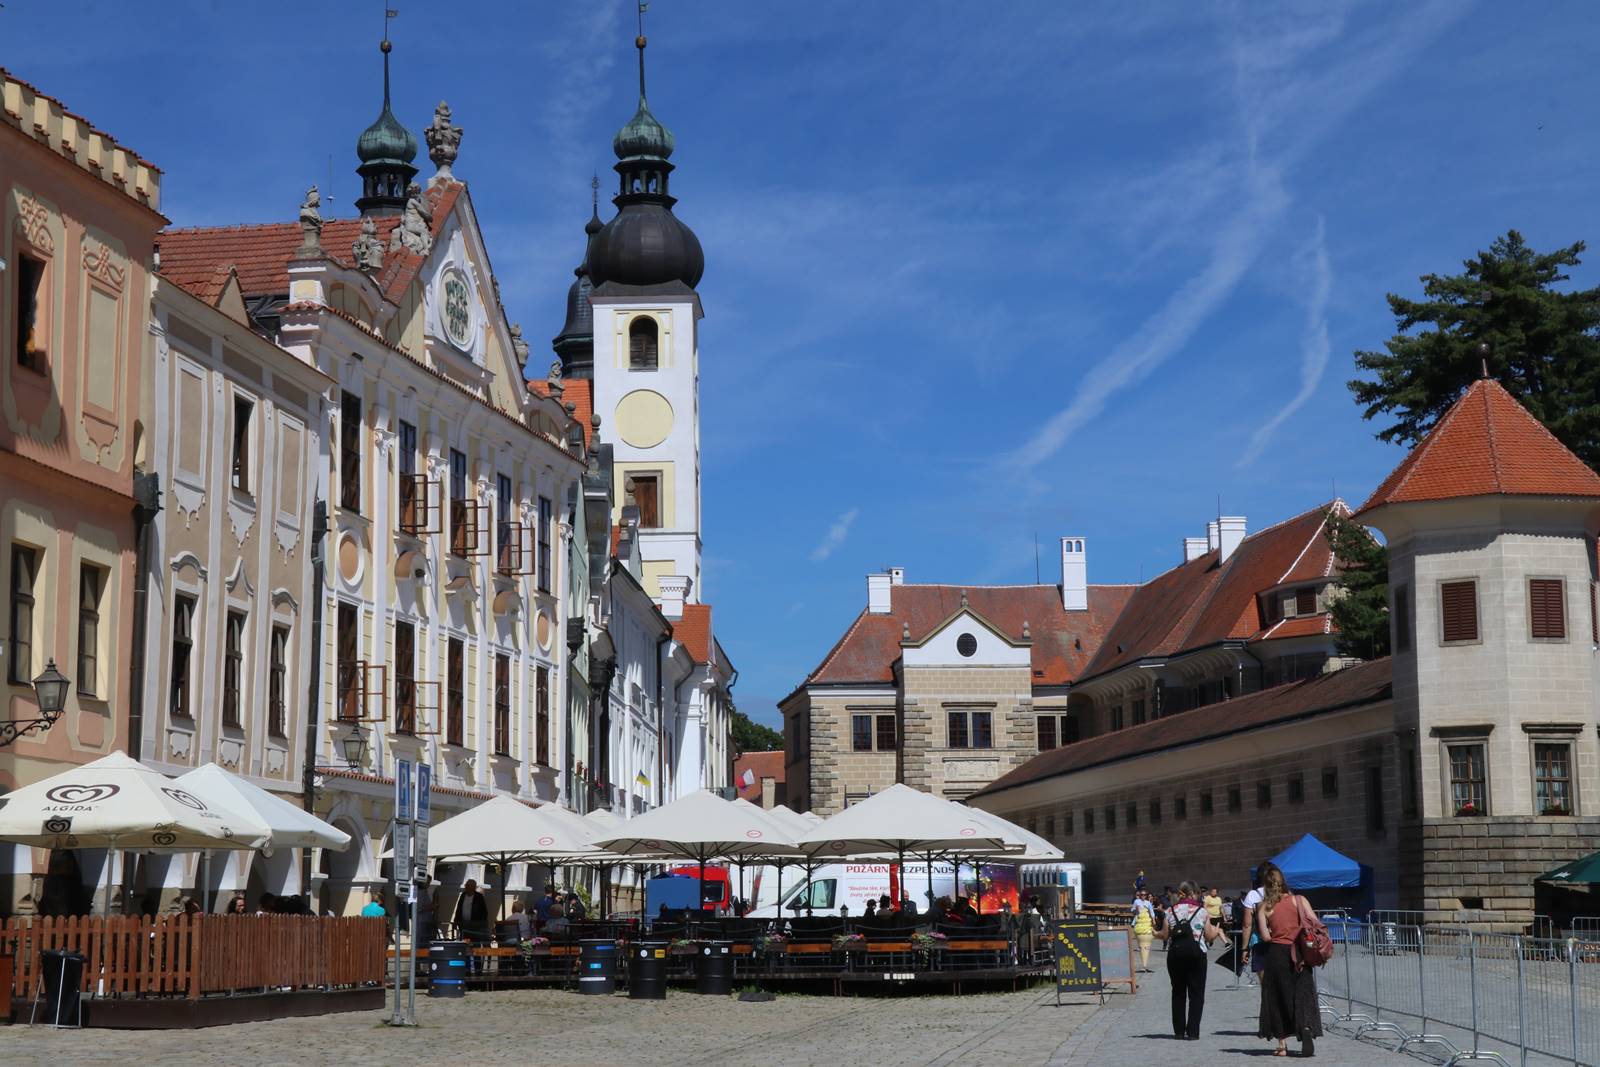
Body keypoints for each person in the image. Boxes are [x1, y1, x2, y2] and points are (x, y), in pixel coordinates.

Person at [1255, 863, 1321, 1058]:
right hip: (1299, 953)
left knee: (1277, 997)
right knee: (1302, 994)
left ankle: (1282, 1045)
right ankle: (1306, 1026)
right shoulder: (1299, 900)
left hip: (1277, 954)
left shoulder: (1263, 907)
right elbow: (1314, 922)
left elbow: (1266, 937)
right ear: (1282, 881)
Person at [1158, 880, 1221, 1041]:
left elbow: (1165, 935)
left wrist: (1153, 933)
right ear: (1194, 893)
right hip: (1197, 954)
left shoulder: (1170, 911)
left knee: (1178, 992)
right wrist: (1217, 931)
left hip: (1175, 955)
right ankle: (1193, 1032)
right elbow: (1208, 936)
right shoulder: (1202, 911)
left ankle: (1179, 1031)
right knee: (1197, 993)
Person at [1242, 863, 1270, 985]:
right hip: (1281, 941)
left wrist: (1244, 948)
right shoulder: (1284, 894)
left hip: (1259, 942)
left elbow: (1247, 925)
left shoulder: (1253, 895)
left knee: (1265, 986)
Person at [455, 879, 492, 967]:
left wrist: (478, 924)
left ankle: (478, 968)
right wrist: (456, 921)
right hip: (464, 926)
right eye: (466, 886)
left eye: (468, 886)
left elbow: (484, 912)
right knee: (466, 948)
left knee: (476, 948)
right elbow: (459, 909)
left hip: (476, 928)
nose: (466, 888)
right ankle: (466, 969)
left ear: (473, 888)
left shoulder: (479, 897)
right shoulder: (463, 895)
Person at [1131, 889, 1156, 972]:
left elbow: (1151, 911)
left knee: (1145, 945)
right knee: (1142, 945)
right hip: (1139, 923)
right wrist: (1136, 910)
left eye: (1145, 895)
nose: (1143, 896)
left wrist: (1153, 920)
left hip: (1147, 925)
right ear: (1139, 895)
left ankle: (1144, 965)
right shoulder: (1136, 901)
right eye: (1141, 894)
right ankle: (1143, 965)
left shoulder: (1148, 903)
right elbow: (1133, 911)